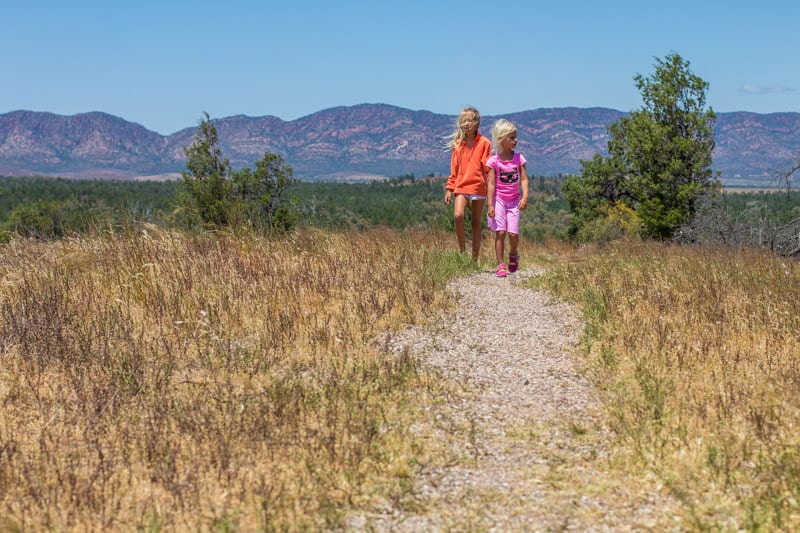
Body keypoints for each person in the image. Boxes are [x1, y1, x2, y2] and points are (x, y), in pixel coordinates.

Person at [444, 106, 492, 260]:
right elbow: (454, 170)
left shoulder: (485, 143)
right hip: (461, 186)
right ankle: (462, 252)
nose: (466, 124)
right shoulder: (458, 144)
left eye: (470, 120)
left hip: (478, 188)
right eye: (463, 121)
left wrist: (492, 190)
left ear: (476, 123)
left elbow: (488, 169)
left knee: (476, 224)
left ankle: (474, 259)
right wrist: (449, 189)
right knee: (458, 215)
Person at [486, 119, 529, 277]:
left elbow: (524, 179)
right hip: (499, 200)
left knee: (513, 234)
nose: (515, 140)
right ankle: (500, 264)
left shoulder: (519, 159)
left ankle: (513, 253)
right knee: (500, 232)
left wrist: (525, 197)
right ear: (501, 140)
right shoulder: (494, 161)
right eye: (511, 138)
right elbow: (491, 183)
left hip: (514, 202)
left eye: (515, 137)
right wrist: (490, 204)